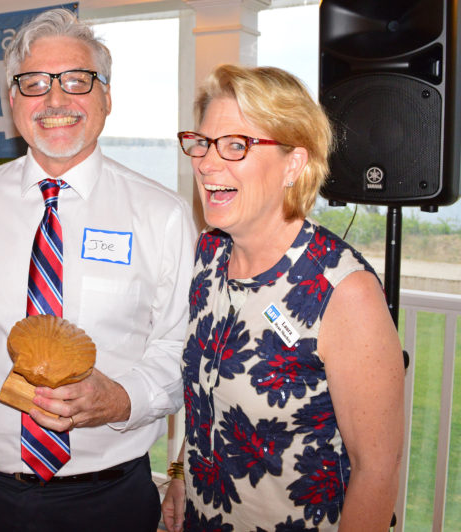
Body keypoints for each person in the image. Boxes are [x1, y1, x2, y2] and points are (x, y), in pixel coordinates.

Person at [0, 8, 196, 531]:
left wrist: (121, 398)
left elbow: (179, 350)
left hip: (104, 498)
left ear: (107, 97)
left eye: (77, 81)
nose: (57, 100)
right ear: (12, 101)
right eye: (35, 83)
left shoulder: (164, 215)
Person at [161, 64, 404, 531]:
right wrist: (180, 473)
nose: (208, 164)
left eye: (237, 145)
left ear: (294, 163)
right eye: (202, 143)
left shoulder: (342, 292)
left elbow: (378, 471)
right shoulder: (210, 255)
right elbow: (202, 398)